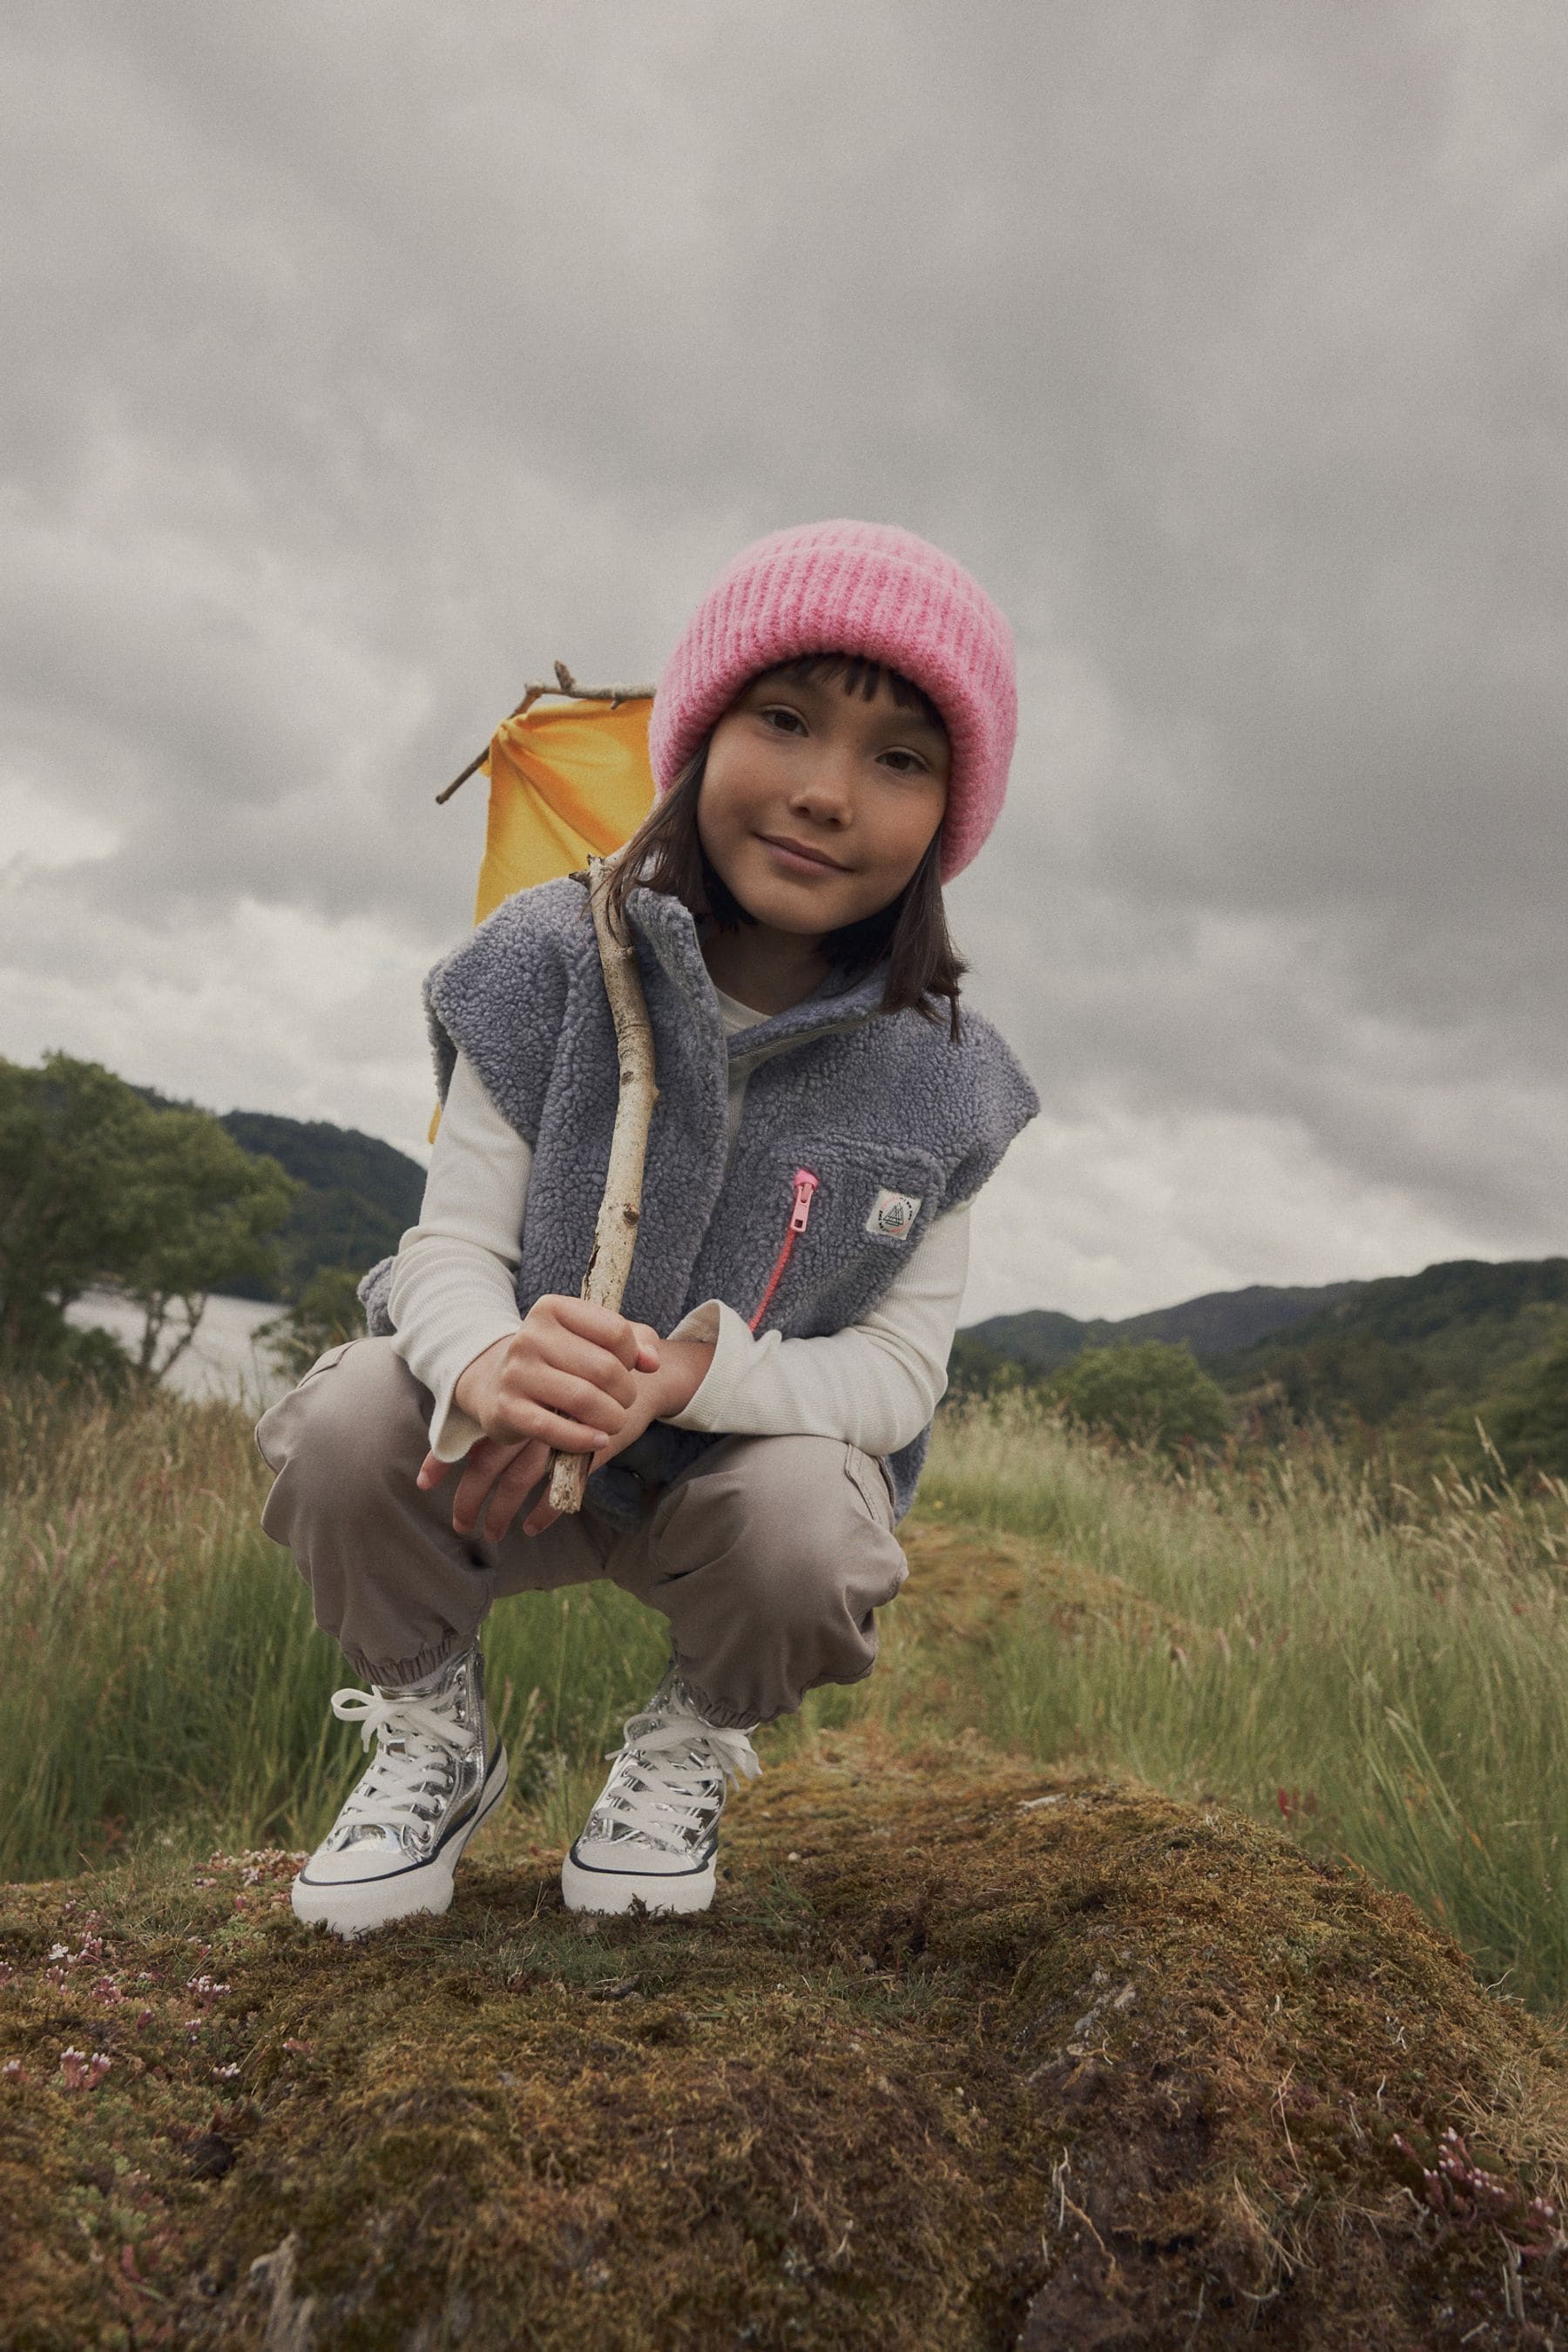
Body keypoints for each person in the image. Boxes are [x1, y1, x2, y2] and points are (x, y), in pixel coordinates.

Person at [255, 518, 1039, 1938]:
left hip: (723, 1501)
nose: (824, 792)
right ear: (699, 733)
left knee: (819, 1531)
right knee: (347, 1417)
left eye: (900, 758)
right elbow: (448, 1250)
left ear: (950, 814)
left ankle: (682, 1749)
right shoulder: (552, 957)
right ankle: (431, 1733)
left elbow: (896, 1373)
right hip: (500, 1469)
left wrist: (694, 1377)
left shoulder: (949, 1078)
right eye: (785, 720)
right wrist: (488, 1363)